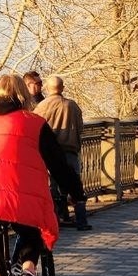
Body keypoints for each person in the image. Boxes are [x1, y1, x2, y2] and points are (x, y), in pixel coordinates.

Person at [0, 74, 87, 276]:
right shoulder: (34, 123)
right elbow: (59, 165)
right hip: (19, 196)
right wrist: (77, 192)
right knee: (31, 232)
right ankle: (28, 271)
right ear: (24, 96)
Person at [34, 75, 93, 229]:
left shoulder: (41, 107)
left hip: (50, 154)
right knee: (75, 185)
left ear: (47, 88)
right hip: (70, 150)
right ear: (62, 88)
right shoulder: (72, 106)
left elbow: (35, 129)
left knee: (53, 185)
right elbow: (80, 128)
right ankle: (81, 220)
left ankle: (58, 217)